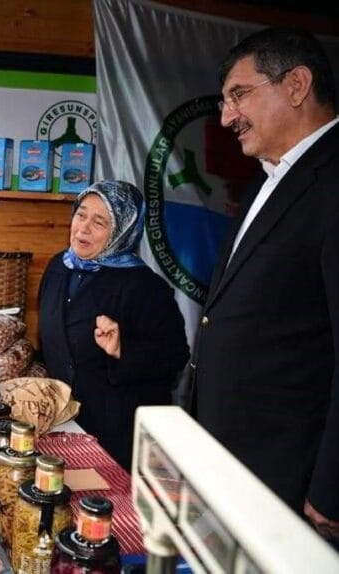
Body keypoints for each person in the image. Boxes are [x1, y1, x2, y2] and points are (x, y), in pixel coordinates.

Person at [193, 27, 339, 541]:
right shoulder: (267, 179)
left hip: (289, 478)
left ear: (296, 85)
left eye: (239, 94)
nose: (226, 115)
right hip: (228, 464)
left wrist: (330, 492)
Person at [37, 180, 189, 469]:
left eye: (99, 222)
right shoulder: (59, 266)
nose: (82, 228)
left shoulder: (146, 287)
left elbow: (175, 356)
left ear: (122, 231)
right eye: (80, 214)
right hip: (60, 426)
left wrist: (122, 349)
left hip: (114, 435)